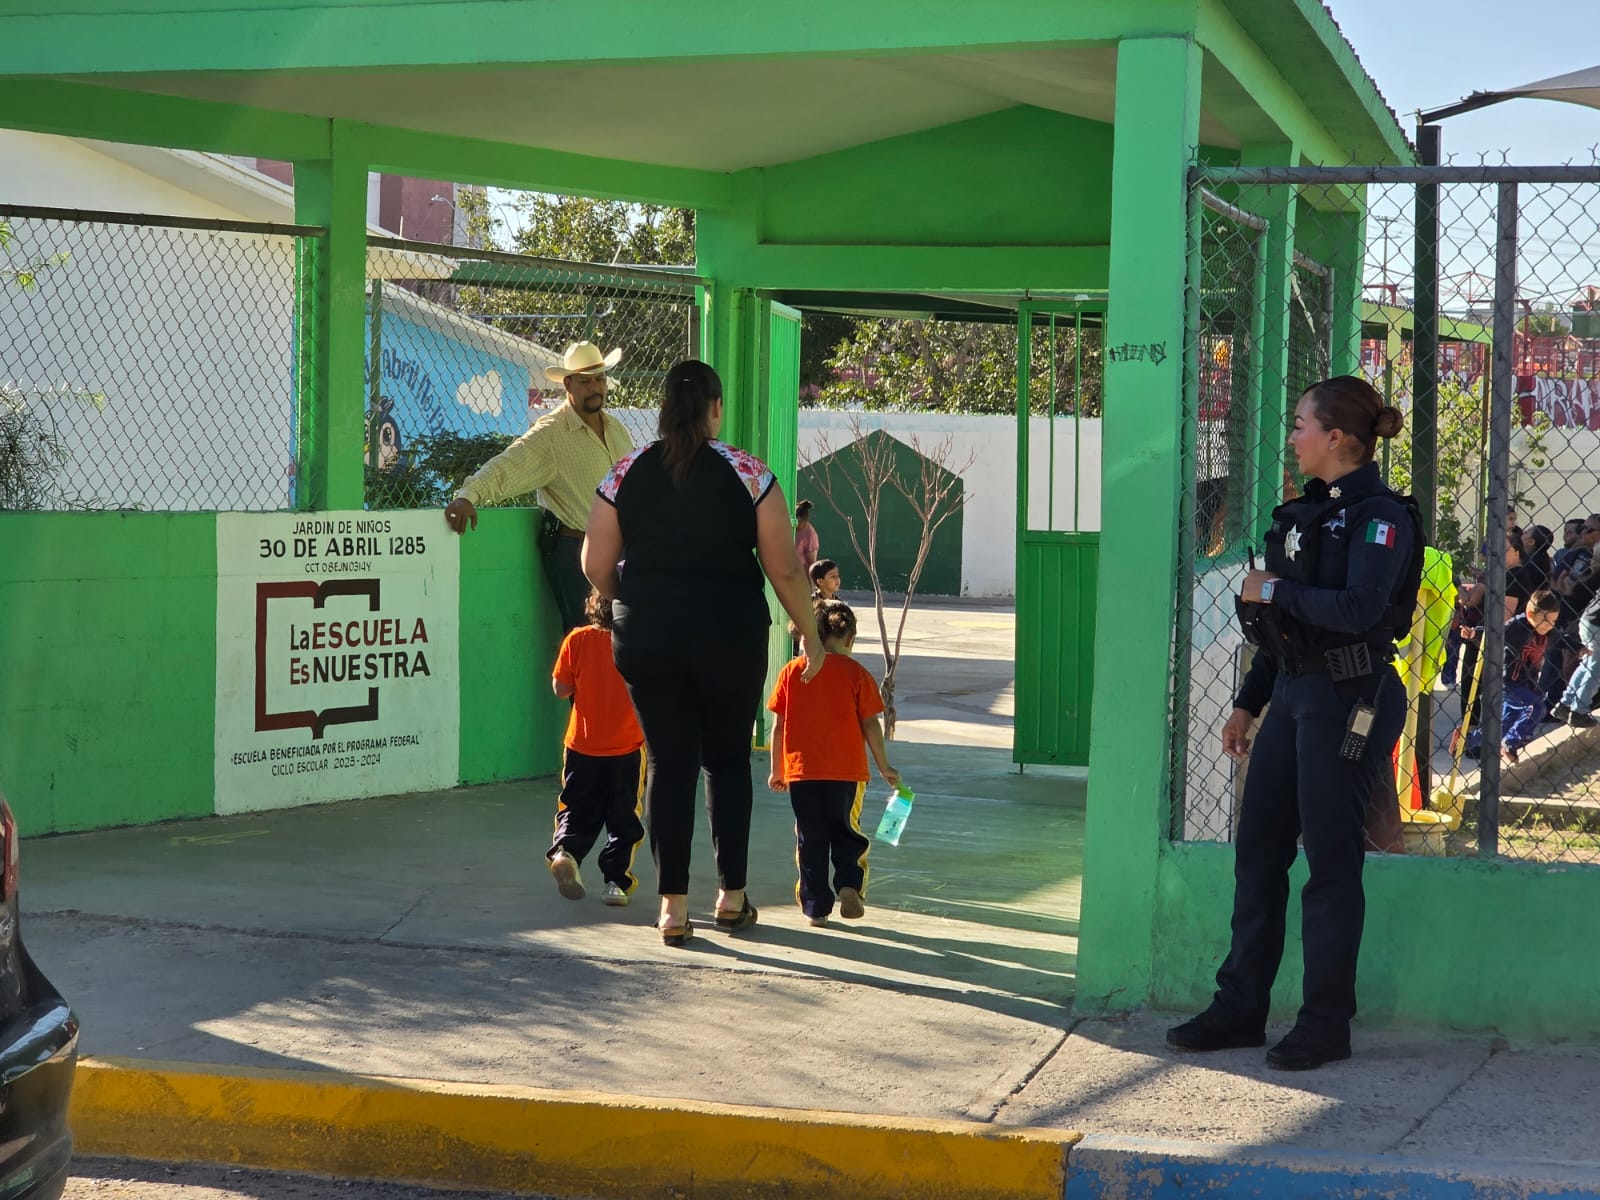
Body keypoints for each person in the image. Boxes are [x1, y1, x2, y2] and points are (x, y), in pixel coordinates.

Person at [1167, 375, 1423, 1072]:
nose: (1293, 437)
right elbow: (1281, 632)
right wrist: (1249, 702)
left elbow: (1360, 609)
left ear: (1336, 437)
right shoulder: (1303, 515)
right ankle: (1240, 1008)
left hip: (1350, 696)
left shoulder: (1381, 517)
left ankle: (1324, 1024)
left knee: (1331, 864)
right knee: (1258, 853)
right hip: (1293, 692)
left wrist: (1277, 588)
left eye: (1302, 424)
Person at [582, 359, 824, 947]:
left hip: (648, 637)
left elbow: (594, 563)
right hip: (730, 635)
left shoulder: (624, 472)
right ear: (716, 408)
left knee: (668, 763)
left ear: (664, 409)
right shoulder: (750, 473)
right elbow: (785, 569)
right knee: (727, 760)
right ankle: (731, 898)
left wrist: (631, 602)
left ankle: (672, 908)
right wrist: (811, 637)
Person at [443, 341, 634, 632]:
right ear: (568, 384)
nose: (595, 388)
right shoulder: (551, 434)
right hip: (575, 551)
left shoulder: (616, 429)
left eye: (599, 379)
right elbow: (507, 464)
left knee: (620, 636)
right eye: (585, 381)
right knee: (589, 636)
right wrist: (468, 495)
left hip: (619, 550)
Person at [767, 599, 900, 928]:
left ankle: (815, 906)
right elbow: (871, 725)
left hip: (802, 772)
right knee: (847, 831)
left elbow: (779, 727)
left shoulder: (792, 672)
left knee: (810, 839)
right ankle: (850, 885)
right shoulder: (856, 673)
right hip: (848, 773)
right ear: (849, 638)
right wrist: (884, 766)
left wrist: (777, 770)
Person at [546, 589, 647, 907]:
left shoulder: (577, 639)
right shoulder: (637, 641)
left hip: (581, 746)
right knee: (624, 817)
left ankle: (566, 853)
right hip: (626, 747)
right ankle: (616, 882)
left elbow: (561, 689)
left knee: (575, 807)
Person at [1461, 589, 1561, 763]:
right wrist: (1475, 633)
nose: (1548, 625)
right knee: (1537, 707)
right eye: (1545, 620)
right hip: (1508, 683)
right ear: (1530, 615)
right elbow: (1494, 634)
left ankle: (1469, 741)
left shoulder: (1549, 632)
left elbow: (1563, 639)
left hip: (1527, 683)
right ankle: (1510, 742)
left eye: (1553, 621)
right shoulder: (1517, 627)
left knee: (1503, 723)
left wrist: (1579, 648)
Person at [794, 500, 820, 572]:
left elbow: (812, 563)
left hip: (800, 573)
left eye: (799, 522)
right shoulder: (790, 528)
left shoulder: (810, 535)